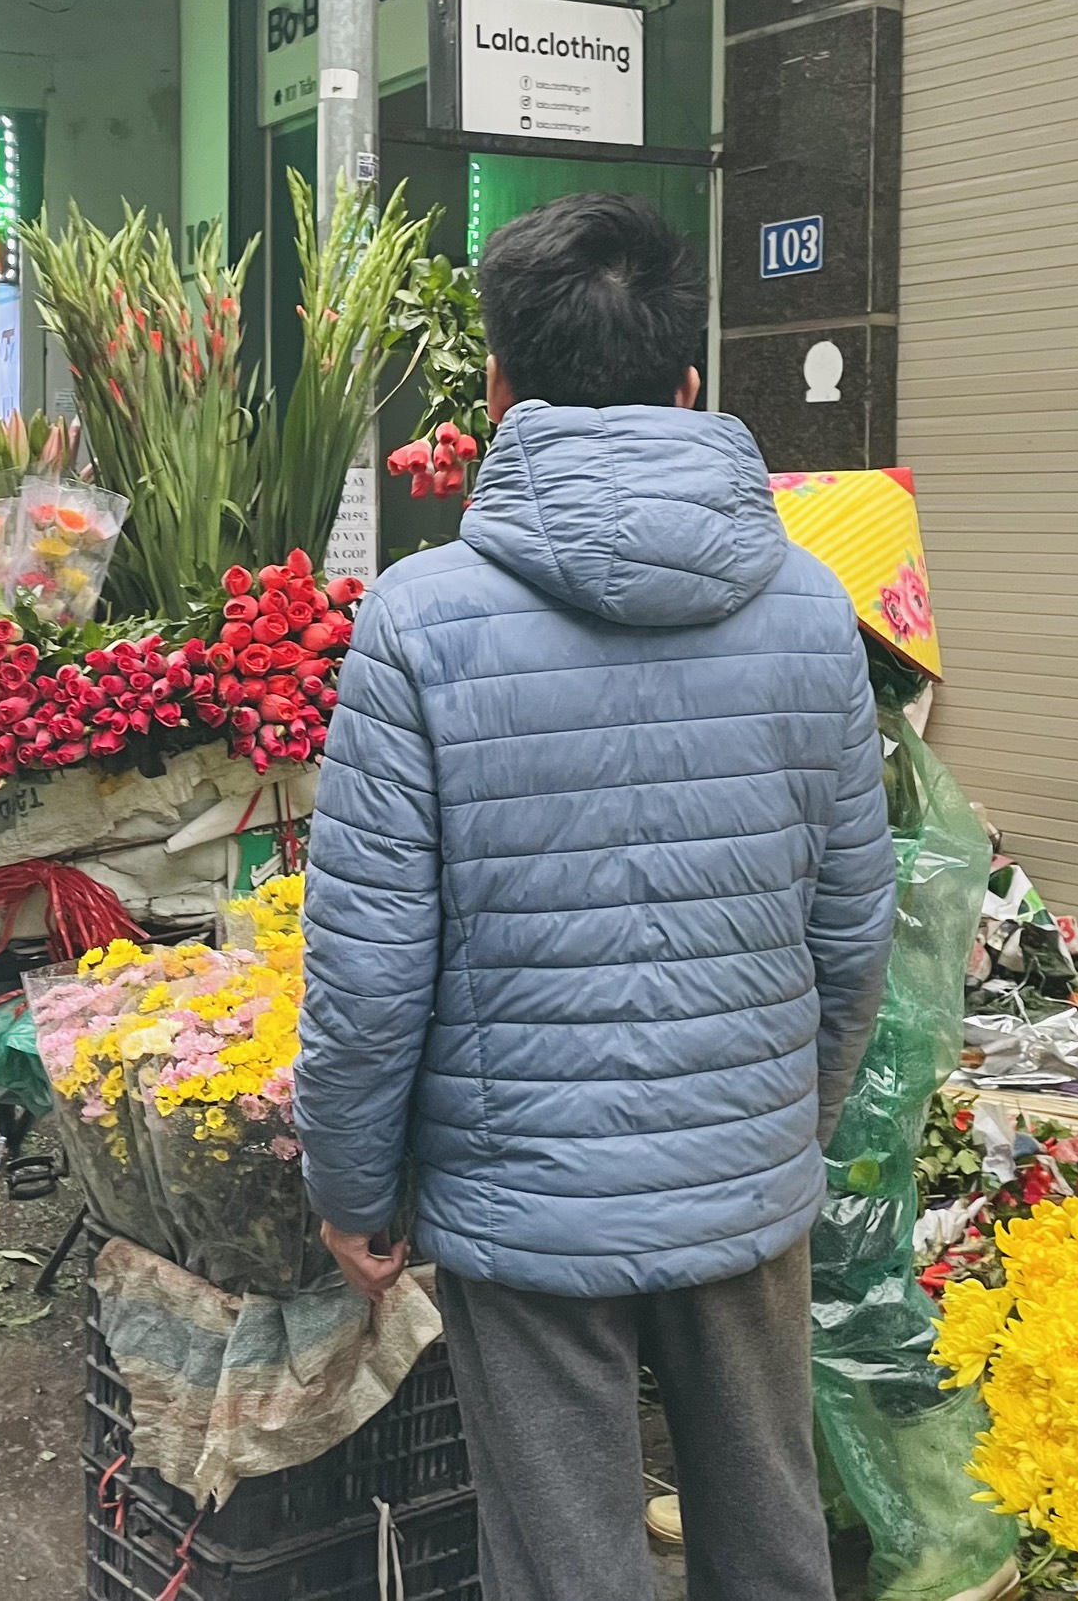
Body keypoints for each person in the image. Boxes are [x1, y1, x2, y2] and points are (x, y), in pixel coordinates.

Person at [293, 193, 897, 1601]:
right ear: (689, 384)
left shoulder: (418, 617)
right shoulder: (812, 606)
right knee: (771, 1540)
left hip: (521, 1194)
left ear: (497, 390)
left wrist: (353, 1186)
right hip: (743, 1169)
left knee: (567, 1563)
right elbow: (853, 922)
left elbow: (369, 963)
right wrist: (777, 1126)